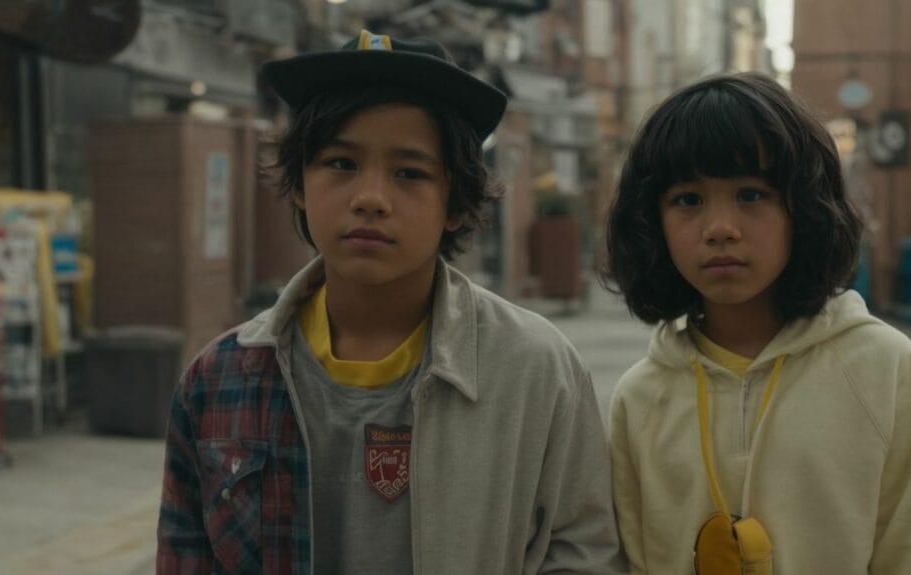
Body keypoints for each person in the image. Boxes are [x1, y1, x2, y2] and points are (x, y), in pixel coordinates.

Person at [156, 29, 624, 574]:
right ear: (301, 183)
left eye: (409, 173)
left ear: (454, 200)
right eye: (340, 163)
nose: (370, 198)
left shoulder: (537, 370)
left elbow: (583, 550)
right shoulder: (218, 380)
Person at [602, 72, 911, 573]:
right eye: (688, 200)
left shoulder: (884, 369)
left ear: (804, 208)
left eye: (751, 195)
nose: (720, 229)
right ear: (651, 223)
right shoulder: (639, 398)